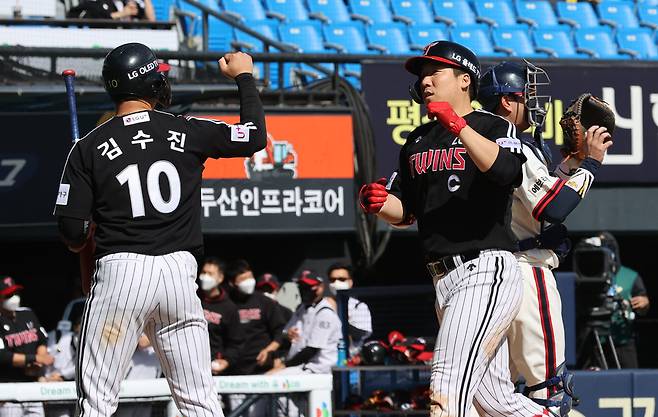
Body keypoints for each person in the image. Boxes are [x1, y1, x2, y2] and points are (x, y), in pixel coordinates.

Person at [53, 42, 266, 417]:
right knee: (199, 402)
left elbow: (72, 233)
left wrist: (88, 226)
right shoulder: (185, 128)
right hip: (179, 276)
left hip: (120, 275)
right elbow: (253, 137)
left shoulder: (87, 146)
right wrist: (244, 78)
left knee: (98, 402)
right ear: (151, 84)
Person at [359, 40, 551, 417]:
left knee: (446, 387)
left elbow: (506, 171)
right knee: (494, 400)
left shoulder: (493, 124)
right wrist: (380, 205)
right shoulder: (417, 140)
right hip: (442, 279)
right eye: (422, 74)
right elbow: (407, 211)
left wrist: (459, 126)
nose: (425, 80)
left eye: (434, 71)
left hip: (486, 270)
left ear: (465, 80)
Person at [474, 61, 612, 412]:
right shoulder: (513, 143)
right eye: (527, 94)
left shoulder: (482, 141)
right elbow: (554, 207)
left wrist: (569, 166)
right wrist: (591, 164)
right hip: (528, 270)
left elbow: (531, 191)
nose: (535, 101)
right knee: (550, 389)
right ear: (506, 101)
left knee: (492, 396)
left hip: (491, 275)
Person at [270, 271, 342, 417]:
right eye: (301, 286)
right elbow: (285, 332)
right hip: (301, 367)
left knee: (274, 383)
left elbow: (311, 350)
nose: (304, 290)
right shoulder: (302, 308)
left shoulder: (325, 313)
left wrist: (283, 366)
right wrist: (286, 334)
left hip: (318, 370)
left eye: (308, 286)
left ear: (320, 288)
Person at [578, 232, 650, 368]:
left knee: (628, 384)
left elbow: (644, 304)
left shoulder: (630, 276)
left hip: (622, 340)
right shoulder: (586, 275)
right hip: (593, 340)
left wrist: (644, 303)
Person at [0, 276, 54, 417]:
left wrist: (39, 362)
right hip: (9, 391)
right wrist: (34, 359)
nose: (14, 298)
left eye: (16, 293)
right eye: (9, 295)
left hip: (33, 386)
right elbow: (2, 356)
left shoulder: (27, 313)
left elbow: (42, 340)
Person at [226, 260, 286, 375]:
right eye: (243, 279)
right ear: (232, 283)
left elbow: (280, 332)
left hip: (261, 367)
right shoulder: (227, 304)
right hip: (233, 368)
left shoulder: (265, 302)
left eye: (250, 277)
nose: (249, 282)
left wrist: (269, 350)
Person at [198, 257, 245, 375]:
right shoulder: (192, 298)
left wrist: (226, 361)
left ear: (220, 278)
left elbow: (236, 343)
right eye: (203, 272)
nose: (205, 277)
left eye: (210, 274)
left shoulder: (229, 308)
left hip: (212, 368)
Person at [327, 262, 372, 356]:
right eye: (332, 280)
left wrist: (339, 315)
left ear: (350, 282)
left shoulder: (359, 306)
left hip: (350, 358)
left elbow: (359, 335)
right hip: (325, 358)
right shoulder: (322, 305)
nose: (336, 283)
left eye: (341, 279)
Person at [115, 334, 162, 417]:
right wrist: (162, 337)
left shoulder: (160, 335)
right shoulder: (140, 325)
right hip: (128, 393)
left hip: (150, 392)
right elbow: (141, 343)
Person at [67, 0, 156, 21]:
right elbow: (94, 18)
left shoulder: (127, 3)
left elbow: (151, 20)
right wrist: (122, 14)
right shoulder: (96, 3)